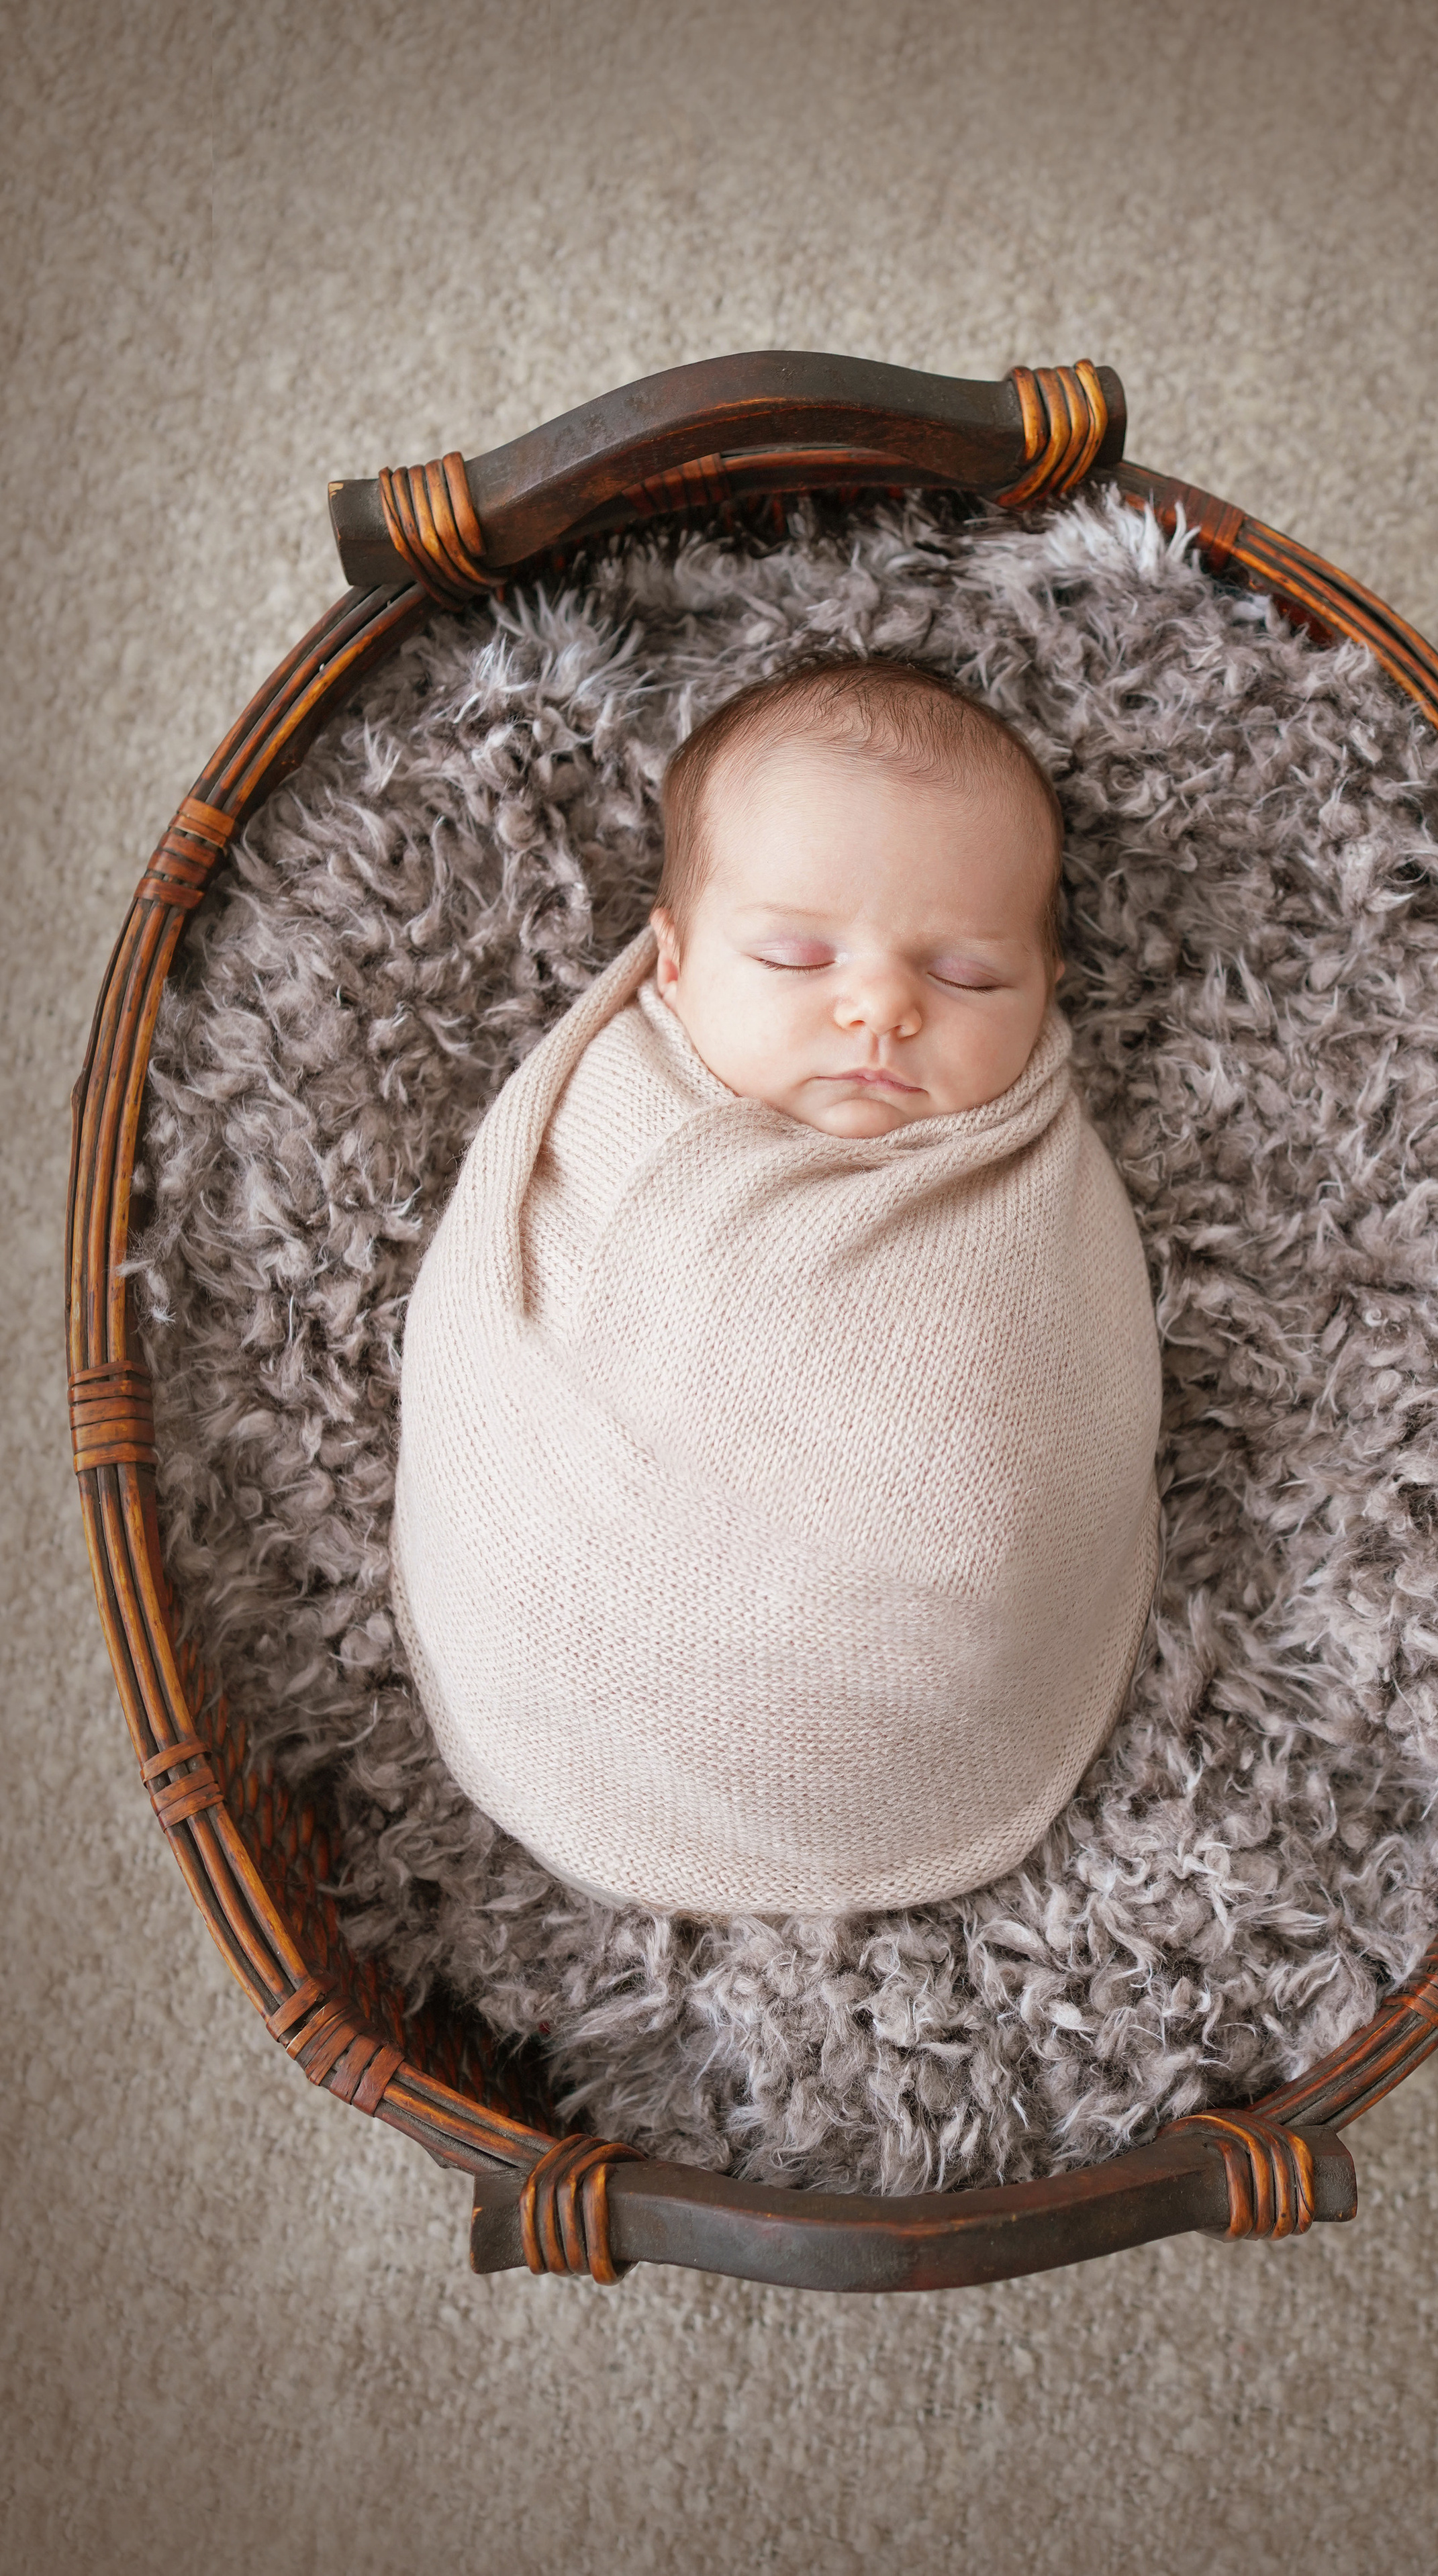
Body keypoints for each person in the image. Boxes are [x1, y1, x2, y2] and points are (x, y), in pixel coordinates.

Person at [391, 657, 1162, 1917]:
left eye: (966, 975)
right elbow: (496, 1330)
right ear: (674, 965)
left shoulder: (1024, 1189)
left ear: (1048, 995)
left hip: (917, 1684)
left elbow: (1034, 1419)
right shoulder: (619, 1105)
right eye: (798, 957)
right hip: (568, 1613)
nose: (879, 1009)